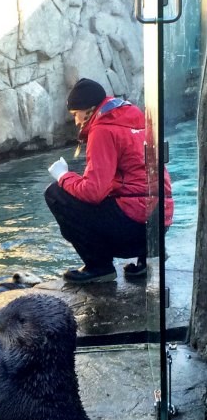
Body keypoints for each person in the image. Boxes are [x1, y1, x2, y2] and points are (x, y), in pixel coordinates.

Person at [45, 77, 174, 284]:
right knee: (130, 191)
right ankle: (150, 254)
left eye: (76, 114)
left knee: (55, 193)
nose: (76, 121)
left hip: (135, 225)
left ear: (89, 109)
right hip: (159, 221)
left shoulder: (102, 130)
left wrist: (63, 176)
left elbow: (93, 193)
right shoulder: (138, 119)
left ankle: (99, 267)